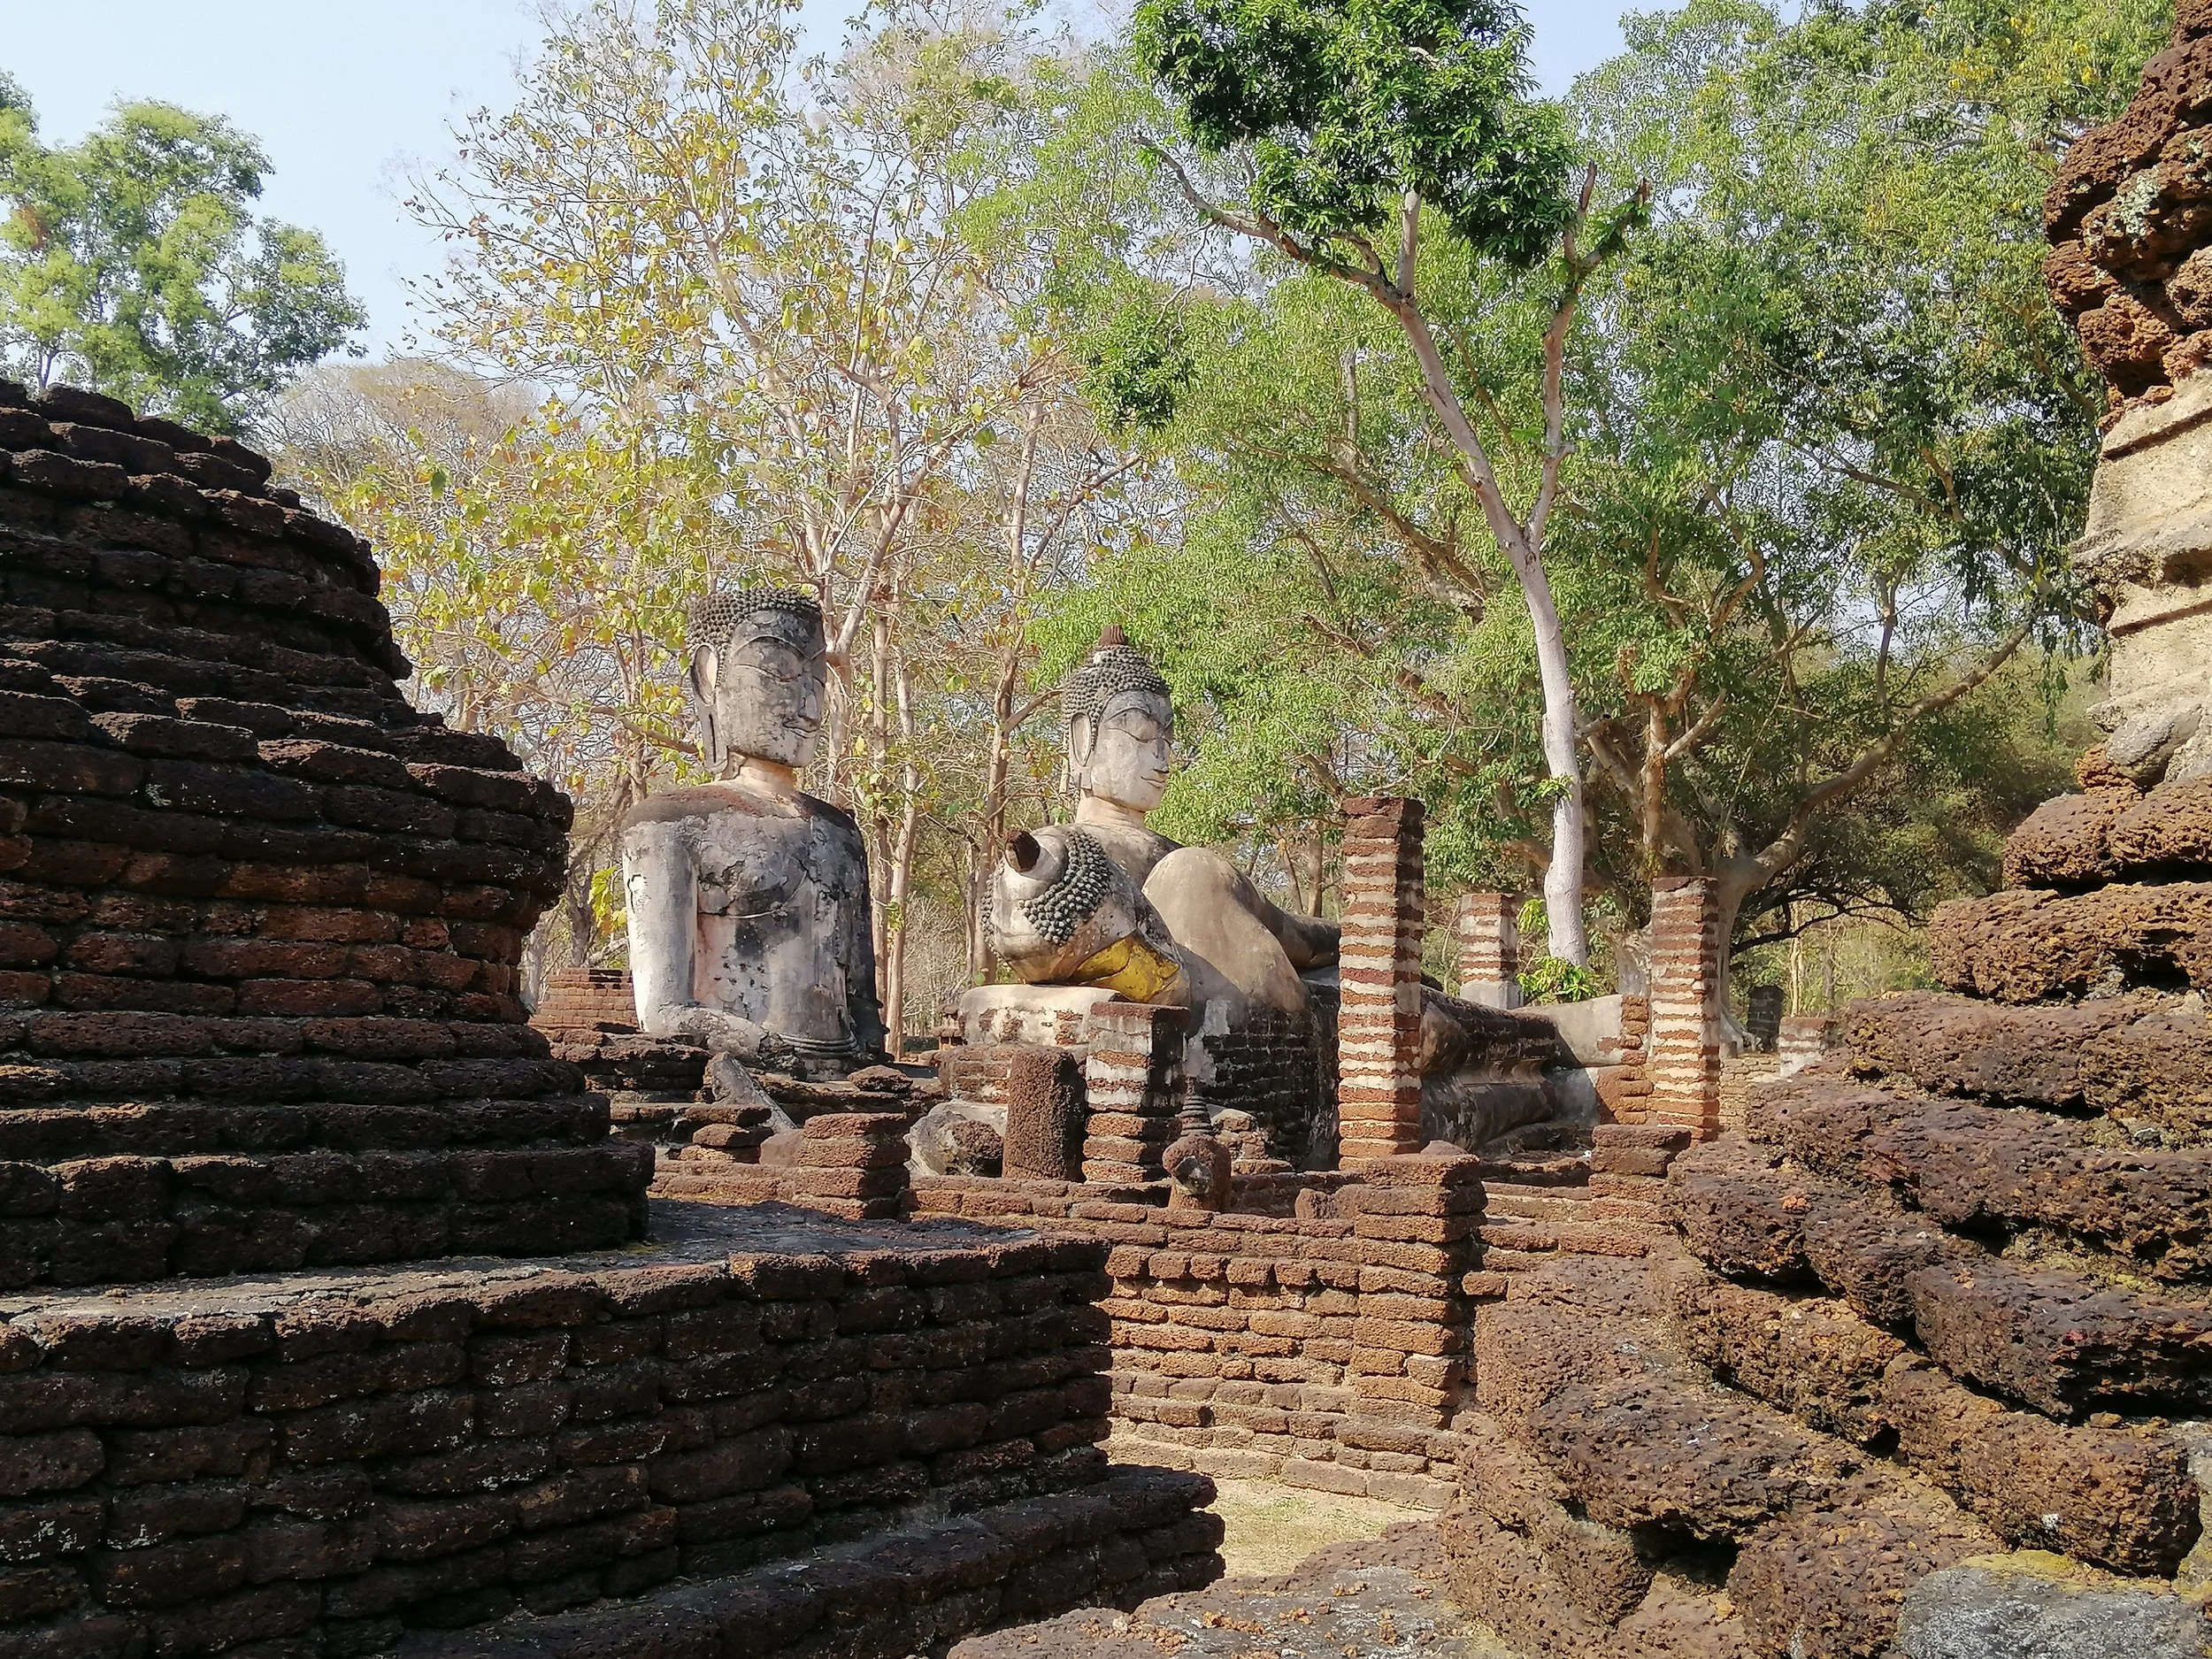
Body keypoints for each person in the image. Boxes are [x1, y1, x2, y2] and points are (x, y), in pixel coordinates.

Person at [619, 587, 886, 1075]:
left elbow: (861, 1006)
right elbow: (662, 1012)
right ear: (709, 678)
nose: (808, 706)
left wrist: (871, 1067)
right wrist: (771, 1053)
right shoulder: (669, 825)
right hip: (743, 1084)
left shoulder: (841, 833)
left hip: (850, 1087)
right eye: (778, 674)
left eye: (818, 681)